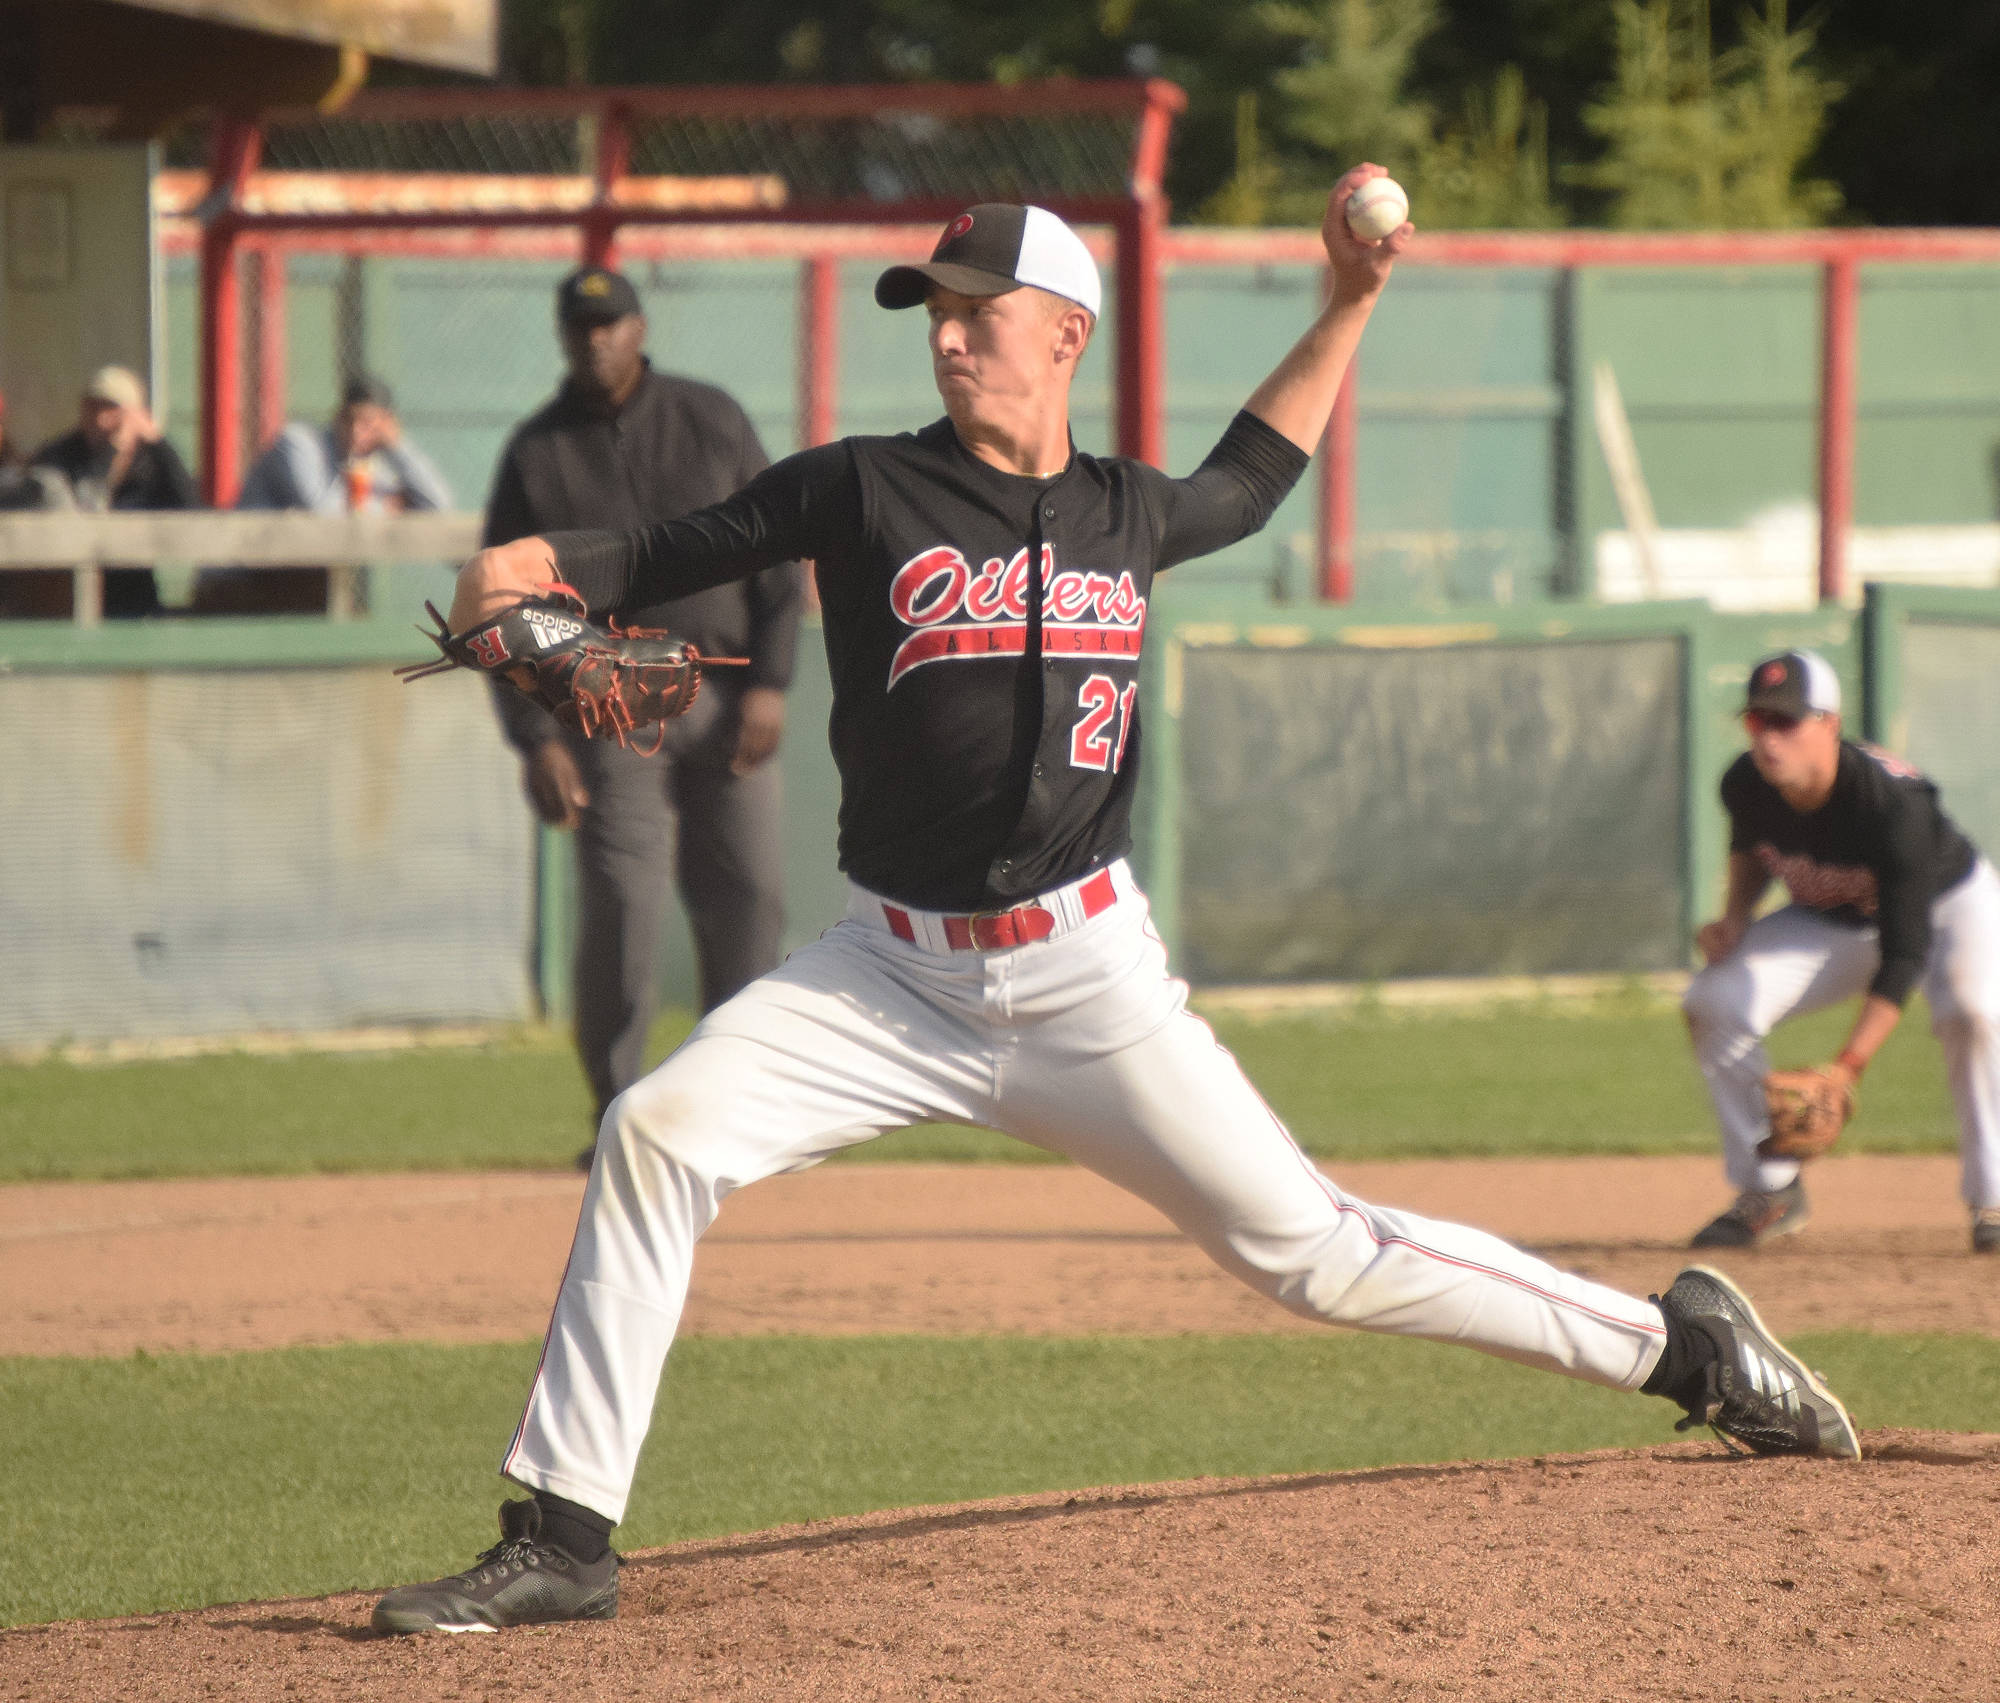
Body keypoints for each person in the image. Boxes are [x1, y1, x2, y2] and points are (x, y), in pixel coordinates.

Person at [373, 175, 1860, 1638]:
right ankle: (563, 1533)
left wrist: (1349, 301)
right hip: (885, 976)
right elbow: (640, 557)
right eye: (932, 314)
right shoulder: (857, 487)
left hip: (1088, 976)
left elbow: (1257, 470)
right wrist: (520, 579)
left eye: (979, 310)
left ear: (1066, 332)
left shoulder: (1126, 512)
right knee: (654, 1130)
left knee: (1319, 1253)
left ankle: (1684, 1348)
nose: (949, 337)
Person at [483, 265, 803, 1168]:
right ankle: (621, 1116)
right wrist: (538, 737)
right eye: (581, 327)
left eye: (610, 323)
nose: (596, 339)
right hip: (612, 701)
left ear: (639, 327)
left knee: (749, 899)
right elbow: (505, 606)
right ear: (562, 336)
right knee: (624, 905)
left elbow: (780, 557)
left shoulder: (710, 418)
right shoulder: (538, 452)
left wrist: (773, 682)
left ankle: (739, 1110)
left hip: (725, 686)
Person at [1682, 648, 2000, 1251]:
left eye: (1785, 722)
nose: (1768, 739)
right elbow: (1752, 850)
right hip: (1835, 917)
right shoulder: (1745, 783)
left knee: (1974, 1013)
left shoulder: (1890, 805)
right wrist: (1733, 918)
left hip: (1951, 906)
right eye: (1757, 722)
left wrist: (1846, 1067)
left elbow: (1905, 953)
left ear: (1829, 724)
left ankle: (1995, 1199)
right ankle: (1771, 1189)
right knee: (1712, 1000)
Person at [195, 376, 453, 613]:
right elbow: (320, 513)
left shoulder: (375, 462)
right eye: (349, 419)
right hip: (238, 581)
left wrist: (398, 446)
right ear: (337, 416)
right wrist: (386, 506)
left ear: (387, 424)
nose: (356, 431)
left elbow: (438, 506)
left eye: (368, 422)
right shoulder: (297, 442)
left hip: (299, 588)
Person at [26, 365, 197, 616]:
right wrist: (108, 455)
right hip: (66, 596)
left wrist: (158, 443)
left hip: (136, 594)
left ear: (137, 413)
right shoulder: (60, 456)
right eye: (92, 407)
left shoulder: (153, 460)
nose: (101, 419)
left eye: (113, 409)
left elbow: (190, 508)